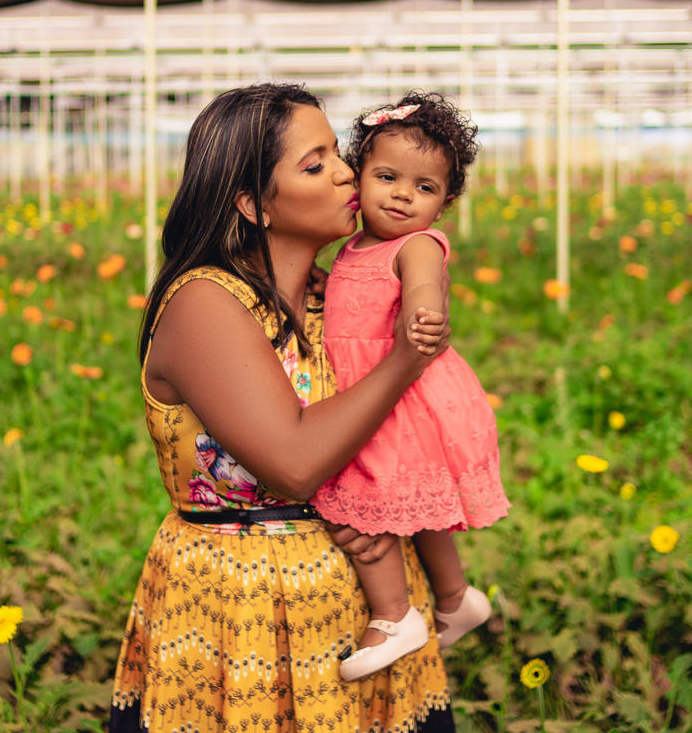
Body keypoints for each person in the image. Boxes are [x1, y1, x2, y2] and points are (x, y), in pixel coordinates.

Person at [109, 84, 457, 733]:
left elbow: (408, 429)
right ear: (253, 203)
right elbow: (295, 463)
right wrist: (405, 359)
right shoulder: (206, 304)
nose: (346, 173)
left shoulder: (338, 297)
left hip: (368, 610)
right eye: (315, 164)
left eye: (339, 155)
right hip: (241, 614)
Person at [312, 91, 511, 682]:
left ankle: (394, 615)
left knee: (368, 496)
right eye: (387, 177)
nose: (402, 194)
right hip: (382, 390)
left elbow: (423, 288)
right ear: (359, 177)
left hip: (402, 396)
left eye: (424, 187)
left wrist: (424, 315)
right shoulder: (351, 248)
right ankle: (455, 597)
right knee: (415, 506)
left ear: (443, 205)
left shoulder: (417, 245)